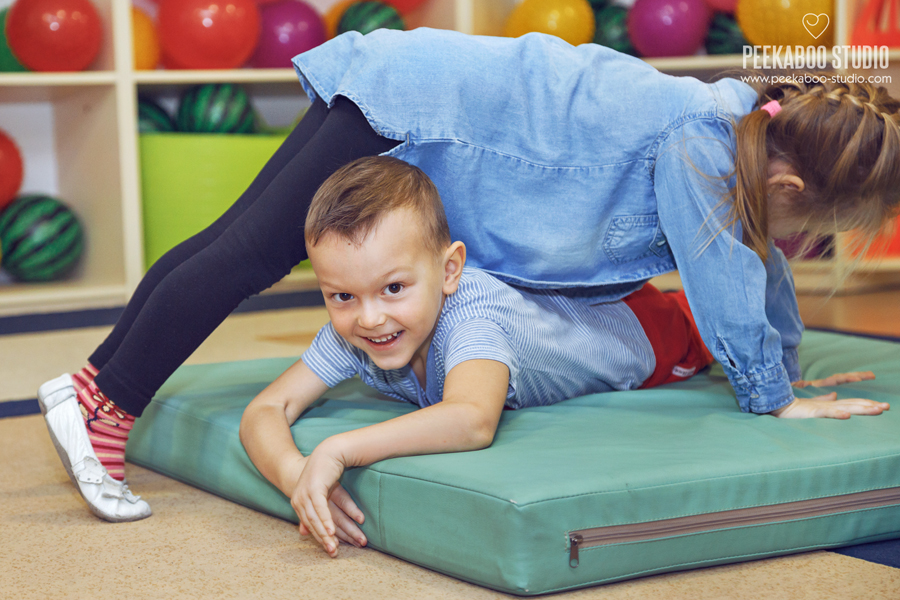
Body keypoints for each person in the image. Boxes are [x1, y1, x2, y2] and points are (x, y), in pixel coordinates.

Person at [37, 28, 896, 524]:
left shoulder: (741, 130)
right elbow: (727, 266)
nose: (794, 240)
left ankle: (93, 384)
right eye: (809, 225)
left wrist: (784, 366)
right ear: (789, 183)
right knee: (256, 250)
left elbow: (754, 258)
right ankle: (105, 404)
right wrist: (770, 394)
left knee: (241, 241)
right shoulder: (703, 146)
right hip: (417, 107)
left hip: (406, 86)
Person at [241, 155, 722, 557]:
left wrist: (337, 449)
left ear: (449, 271)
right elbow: (266, 409)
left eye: (393, 288)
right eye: (341, 296)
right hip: (568, 310)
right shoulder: (357, 329)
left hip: (647, 334)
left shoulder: (472, 316)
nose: (368, 318)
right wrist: (296, 475)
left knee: (720, 314)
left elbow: (471, 419)